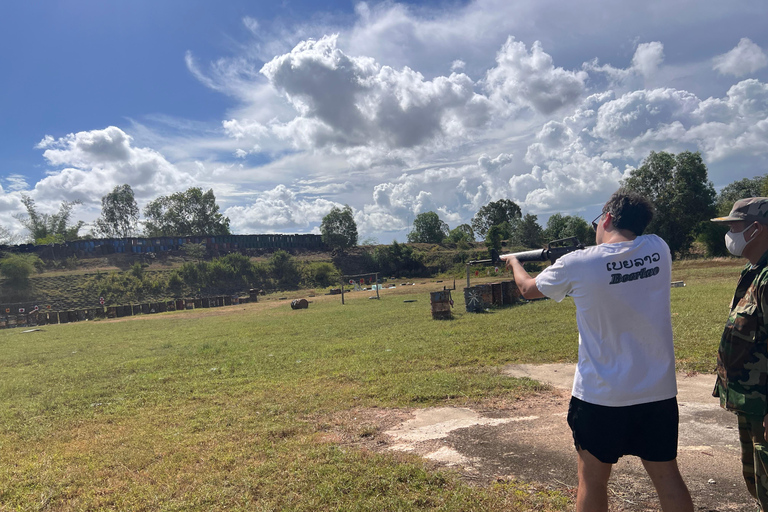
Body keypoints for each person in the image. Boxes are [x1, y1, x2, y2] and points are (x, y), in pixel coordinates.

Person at [502, 189, 693, 512]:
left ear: (606, 218)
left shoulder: (577, 263)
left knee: (592, 481)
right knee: (667, 477)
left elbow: (527, 289)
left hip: (601, 396)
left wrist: (514, 262)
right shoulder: (658, 248)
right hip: (657, 392)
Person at [711, 197, 768, 510]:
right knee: (759, 484)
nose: (729, 233)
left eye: (733, 226)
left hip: (764, 404)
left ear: (755, 229)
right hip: (753, 403)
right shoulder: (754, 271)